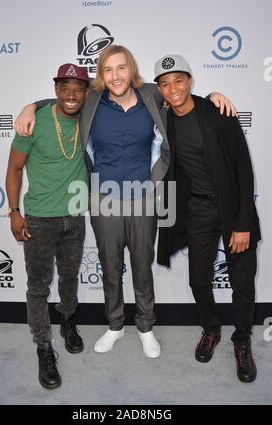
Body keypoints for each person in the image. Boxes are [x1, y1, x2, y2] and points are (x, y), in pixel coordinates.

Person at [14, 45, 235, 359]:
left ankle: (145, 327)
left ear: (131, 70)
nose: (115, 75)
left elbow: (181, 97)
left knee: (142, 267)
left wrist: (214, 95)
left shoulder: (151, 96)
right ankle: (115, 324)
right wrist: (29, 106)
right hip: (103, 199)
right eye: (107, 69)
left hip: (144, 198)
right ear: (101, 75)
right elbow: (64, 98)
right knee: (111, 267)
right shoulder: (91, 100)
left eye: (121, 68)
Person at [155, 54, 261, 382]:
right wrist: (35, 105)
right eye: (165, 83)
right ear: (159, 89)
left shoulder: (218, 113)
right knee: (198, 280)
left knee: (242, 284)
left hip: (232, 209)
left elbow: (244, 168)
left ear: (190, 81)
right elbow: (114, 91)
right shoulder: (162, 118)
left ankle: (242, 342)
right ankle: (211, 330)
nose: (173, 88)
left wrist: (242, 222)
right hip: (197, 210)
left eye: (178, 80)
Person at [5, 64, 89, 389]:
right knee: (38, 285)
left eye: (77, 89)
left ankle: (68, 320)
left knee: (68, 276)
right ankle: (43, 347)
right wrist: (13, 212)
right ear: (55, 90)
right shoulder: (33, 122)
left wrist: (33, 101)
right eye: (64, 87)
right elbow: (14, 169)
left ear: (86, 92)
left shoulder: (90, 117)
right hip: (39, 218)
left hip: (75, 216)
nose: (71, 95)